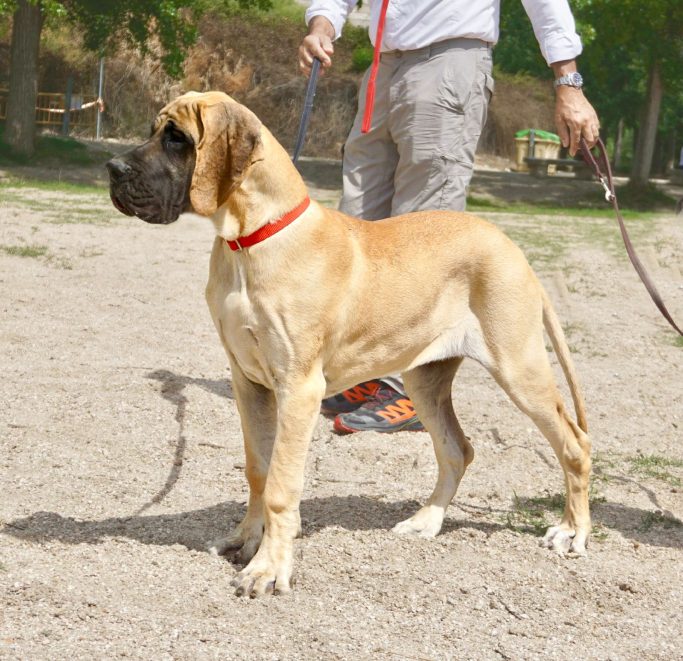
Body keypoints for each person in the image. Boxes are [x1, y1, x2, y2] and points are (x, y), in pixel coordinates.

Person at [298, 0, 600, 434]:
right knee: (356, 228)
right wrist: (322, 26)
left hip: (447, 60)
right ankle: (366, 377)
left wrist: (568, 82)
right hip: (383, 68)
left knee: (422, 237)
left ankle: (413, 395)